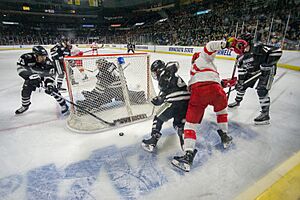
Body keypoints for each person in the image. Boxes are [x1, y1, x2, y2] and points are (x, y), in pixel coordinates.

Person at [171, 38, 244, 172]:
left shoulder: (195, 67)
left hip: (198, 93)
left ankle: (188, 155)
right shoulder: (206, 61)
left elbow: (198, 83)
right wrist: (227, 44)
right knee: (221, 112)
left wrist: (226, 44)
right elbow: (210, 47)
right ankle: (224, 135)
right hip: (217, 91)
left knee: (190, 125)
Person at [228, 33, 282, 125]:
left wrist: (268, 64)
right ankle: (237, 102)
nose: (240, 47)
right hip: (253, 71)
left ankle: (265, 115)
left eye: (241, 44)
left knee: (261, 90)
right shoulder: (241, 57)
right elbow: (242, 70)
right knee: (242, 86)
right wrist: (241, 82)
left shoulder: (258, 47)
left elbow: (277, 51)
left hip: (266, 71)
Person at [141, 60, 190, 152]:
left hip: (175, 102)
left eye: (155, 72)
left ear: (158, 70)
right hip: (186, 103)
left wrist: (166, 71)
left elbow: (174, 65)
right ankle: (186, 147)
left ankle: (153, 140)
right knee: (178, 124)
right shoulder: (168, 77)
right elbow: (167, 92)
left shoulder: (165, 74)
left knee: (158, 117)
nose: (155, 75)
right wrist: (158, 100)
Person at [77, 58, 146, 113]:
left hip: (115, 89)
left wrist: (92, 94)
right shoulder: (110, 66)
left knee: (102, 99)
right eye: (97, 64)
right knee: (124, 96)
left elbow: (101, 87)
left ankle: (85, 106)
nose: (97, 66)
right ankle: (140, 96)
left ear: (103, 64)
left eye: (99, 64)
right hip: (122, 86)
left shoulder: (105, 72)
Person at [15, 46, 69, 115]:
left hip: (43, 76)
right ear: (35, 55)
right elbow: (20, 69)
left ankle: (63, 104)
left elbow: (50, 75)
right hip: (31, 76)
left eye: (45, 56)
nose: (44, 58)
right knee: (26, 87)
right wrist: (30, 77)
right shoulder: (26, 58)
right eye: (42, 56)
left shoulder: (48, 62)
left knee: (53, 90)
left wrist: (49, 85)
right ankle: (25, 105)